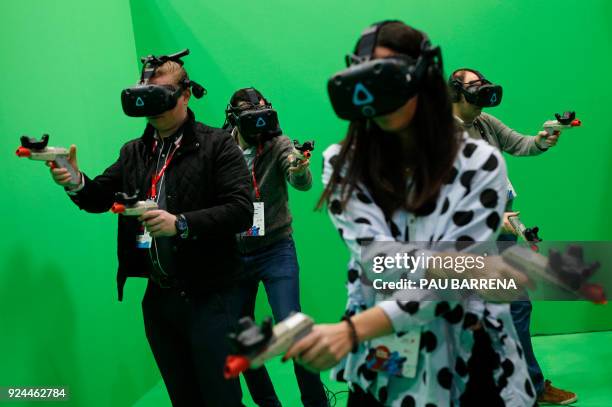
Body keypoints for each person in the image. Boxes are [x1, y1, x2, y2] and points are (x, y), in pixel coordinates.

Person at [284, 20, 537, 406]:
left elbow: (456, 282)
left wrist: (352, 331)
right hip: (383, 351)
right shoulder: (342, 164)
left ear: (425, 75)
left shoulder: (479, 163)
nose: (381, 92)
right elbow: (378, 261)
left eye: (391, 74)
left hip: (467, 348)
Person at [48, 52, 253, 406]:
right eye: (148, 95)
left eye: (164, 95)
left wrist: (182, 224)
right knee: (183, 396)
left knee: (221, 397)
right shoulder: (134, 152)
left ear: (185, 95)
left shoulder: (218, 145)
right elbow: (98, 198)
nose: (153, 106)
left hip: (209, 296)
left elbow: (241, 210)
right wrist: (75, 181)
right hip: (159, 299)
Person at [450, 68, 576, 405]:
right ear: (456, 92)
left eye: (484, 84)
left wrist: (542, 139)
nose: (484, 93)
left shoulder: (485, 122)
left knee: (516, 307)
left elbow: (519, 143)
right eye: (475, 88)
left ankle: (528, 385)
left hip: (503, 230)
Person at [224, 87, 328, 407]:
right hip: (232, 254)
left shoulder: (278, 144)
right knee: (238, 335)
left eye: (262, 115)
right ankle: (268, 403)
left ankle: (316, 402)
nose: (258, 124)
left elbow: (301, 180)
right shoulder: (219, 148)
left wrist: (299, 168)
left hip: (276, 249)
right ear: (235, 119)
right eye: (250, 118)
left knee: (294, 326)